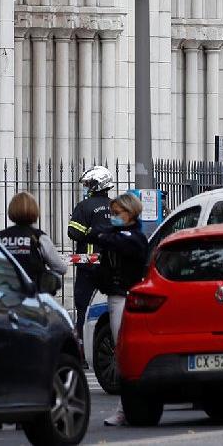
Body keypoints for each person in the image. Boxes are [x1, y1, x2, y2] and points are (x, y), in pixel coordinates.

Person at [95, 193, 148, 427]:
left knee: (124, 353)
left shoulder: (133, 237)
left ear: (130, 213)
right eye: (112, 213)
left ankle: (125, 409)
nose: (113, 217)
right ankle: (127, 408)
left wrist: (100, 234)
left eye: (117, 213)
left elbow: (120, 244)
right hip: (115, 294)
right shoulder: (118, 235)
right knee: (121, 353)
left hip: (125, 297)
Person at [66, 166, 115, 334]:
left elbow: (73, 232)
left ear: (97, 185)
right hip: (112, 266)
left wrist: (89, 231)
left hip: (88, 266)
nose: (87, 187)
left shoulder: (84, 206)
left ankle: (82, 342)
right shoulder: (116, 206)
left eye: (89, 184)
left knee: (84, 306)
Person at [0, 192, 67, 290]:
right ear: (35, 211)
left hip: (3, 291)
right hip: (32, 294)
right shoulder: (39, 237)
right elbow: (60, 268)